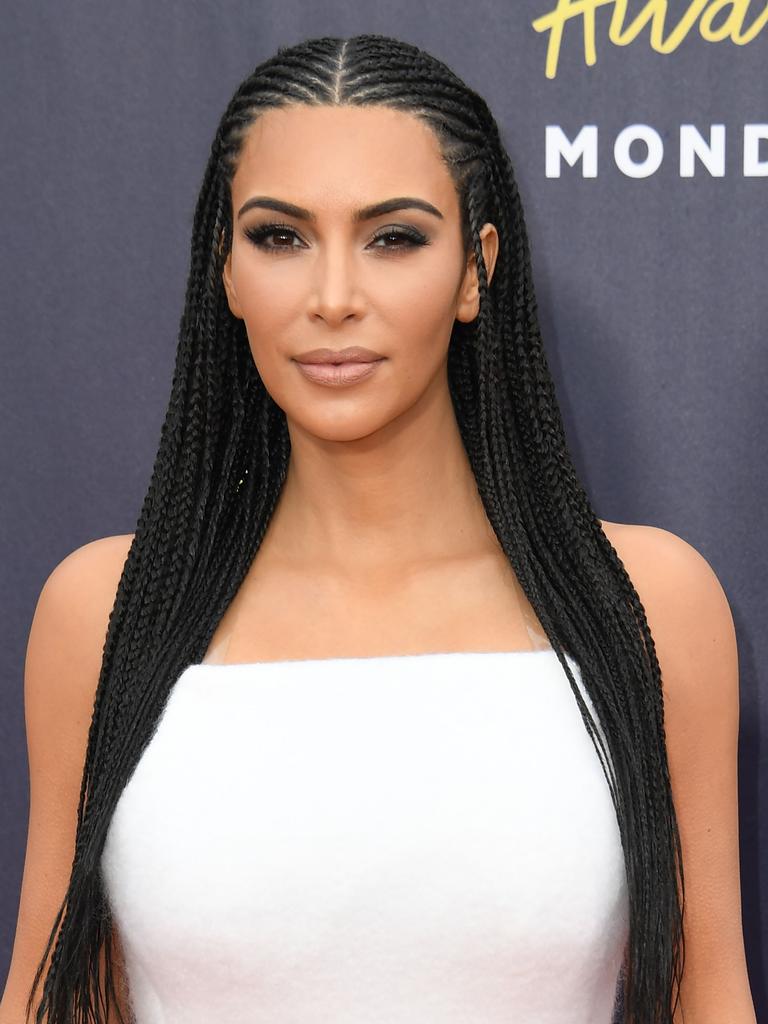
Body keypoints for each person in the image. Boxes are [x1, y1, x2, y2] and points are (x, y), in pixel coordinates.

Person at [0, 32, 756, 1024]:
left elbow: (709, 998)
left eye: (393, 236)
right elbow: (55, 1002)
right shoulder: (104, 612)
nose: (334, 299)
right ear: (226, 271)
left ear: (477, 267)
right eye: (280, 236)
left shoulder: (652, 602)